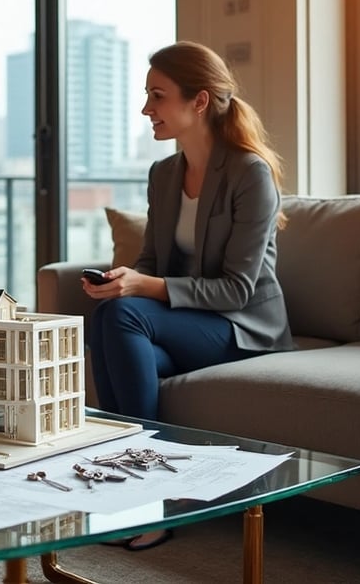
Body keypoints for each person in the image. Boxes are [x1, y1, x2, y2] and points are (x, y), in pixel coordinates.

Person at [83, 41, 293, 551]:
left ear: (198, 101)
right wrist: (125, 278)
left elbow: (237, 289)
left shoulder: (249, 173)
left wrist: (142, 287)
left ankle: (153, 497)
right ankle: (124, 486)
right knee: (110, 314)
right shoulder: (165, 174)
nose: (145, 109)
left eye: (157, 96)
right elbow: (154, 263)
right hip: (189, 322)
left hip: (241, 327)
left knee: (126, 315)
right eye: (147, 95)